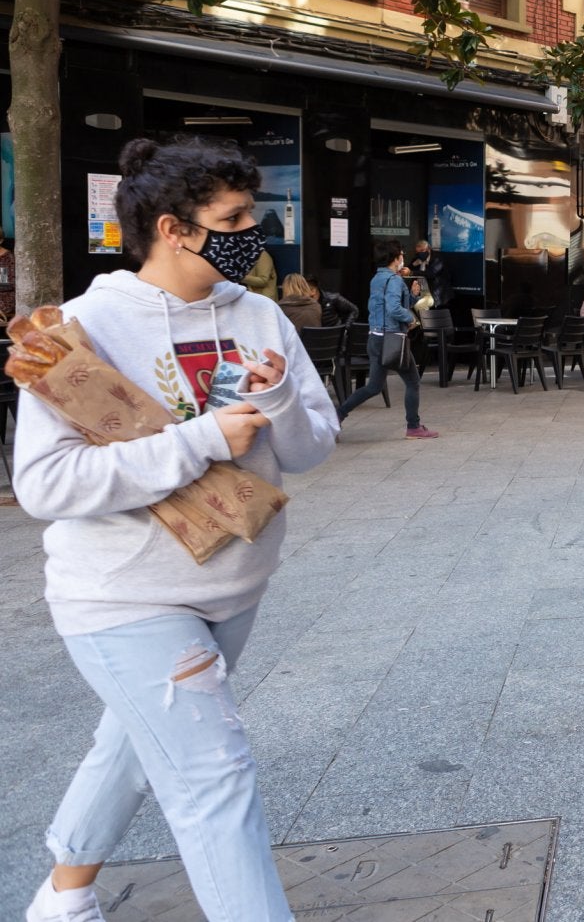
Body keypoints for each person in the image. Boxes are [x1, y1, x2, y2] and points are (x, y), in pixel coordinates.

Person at [14, 136, 337, 922]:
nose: (251, 233)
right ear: (173, 229)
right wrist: (196, 439)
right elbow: (44, 483)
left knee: (129, 747)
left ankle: (62, 898)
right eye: (231, 218)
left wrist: (283, 397)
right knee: (211, 774)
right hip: (123, 593)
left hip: (234, 581)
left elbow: (309, 448)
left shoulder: (259, 313)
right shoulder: (78, 333)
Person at [336, 243, 438, 440]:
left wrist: (412, 295)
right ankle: (413, 427)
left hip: (375, 338)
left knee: (373, 387)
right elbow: (394, 309)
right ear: (395, 258)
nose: (403, 258)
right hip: (392, 340)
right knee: (413, 381)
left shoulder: (377, 279)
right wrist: (411, 319)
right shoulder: (395, 281)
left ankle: (338, 414)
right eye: (401, 254)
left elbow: (388, 305)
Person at [411, 240, 449, 306]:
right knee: (409, 304)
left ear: (428, 249)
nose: (420, 254)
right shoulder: (417, 258)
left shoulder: (437, 258)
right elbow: (410, 267)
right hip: (419, 291)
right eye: (418, 252)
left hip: (432, 293)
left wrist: (412, 272)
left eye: (422, 251)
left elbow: (431, 273)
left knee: (418, 305)